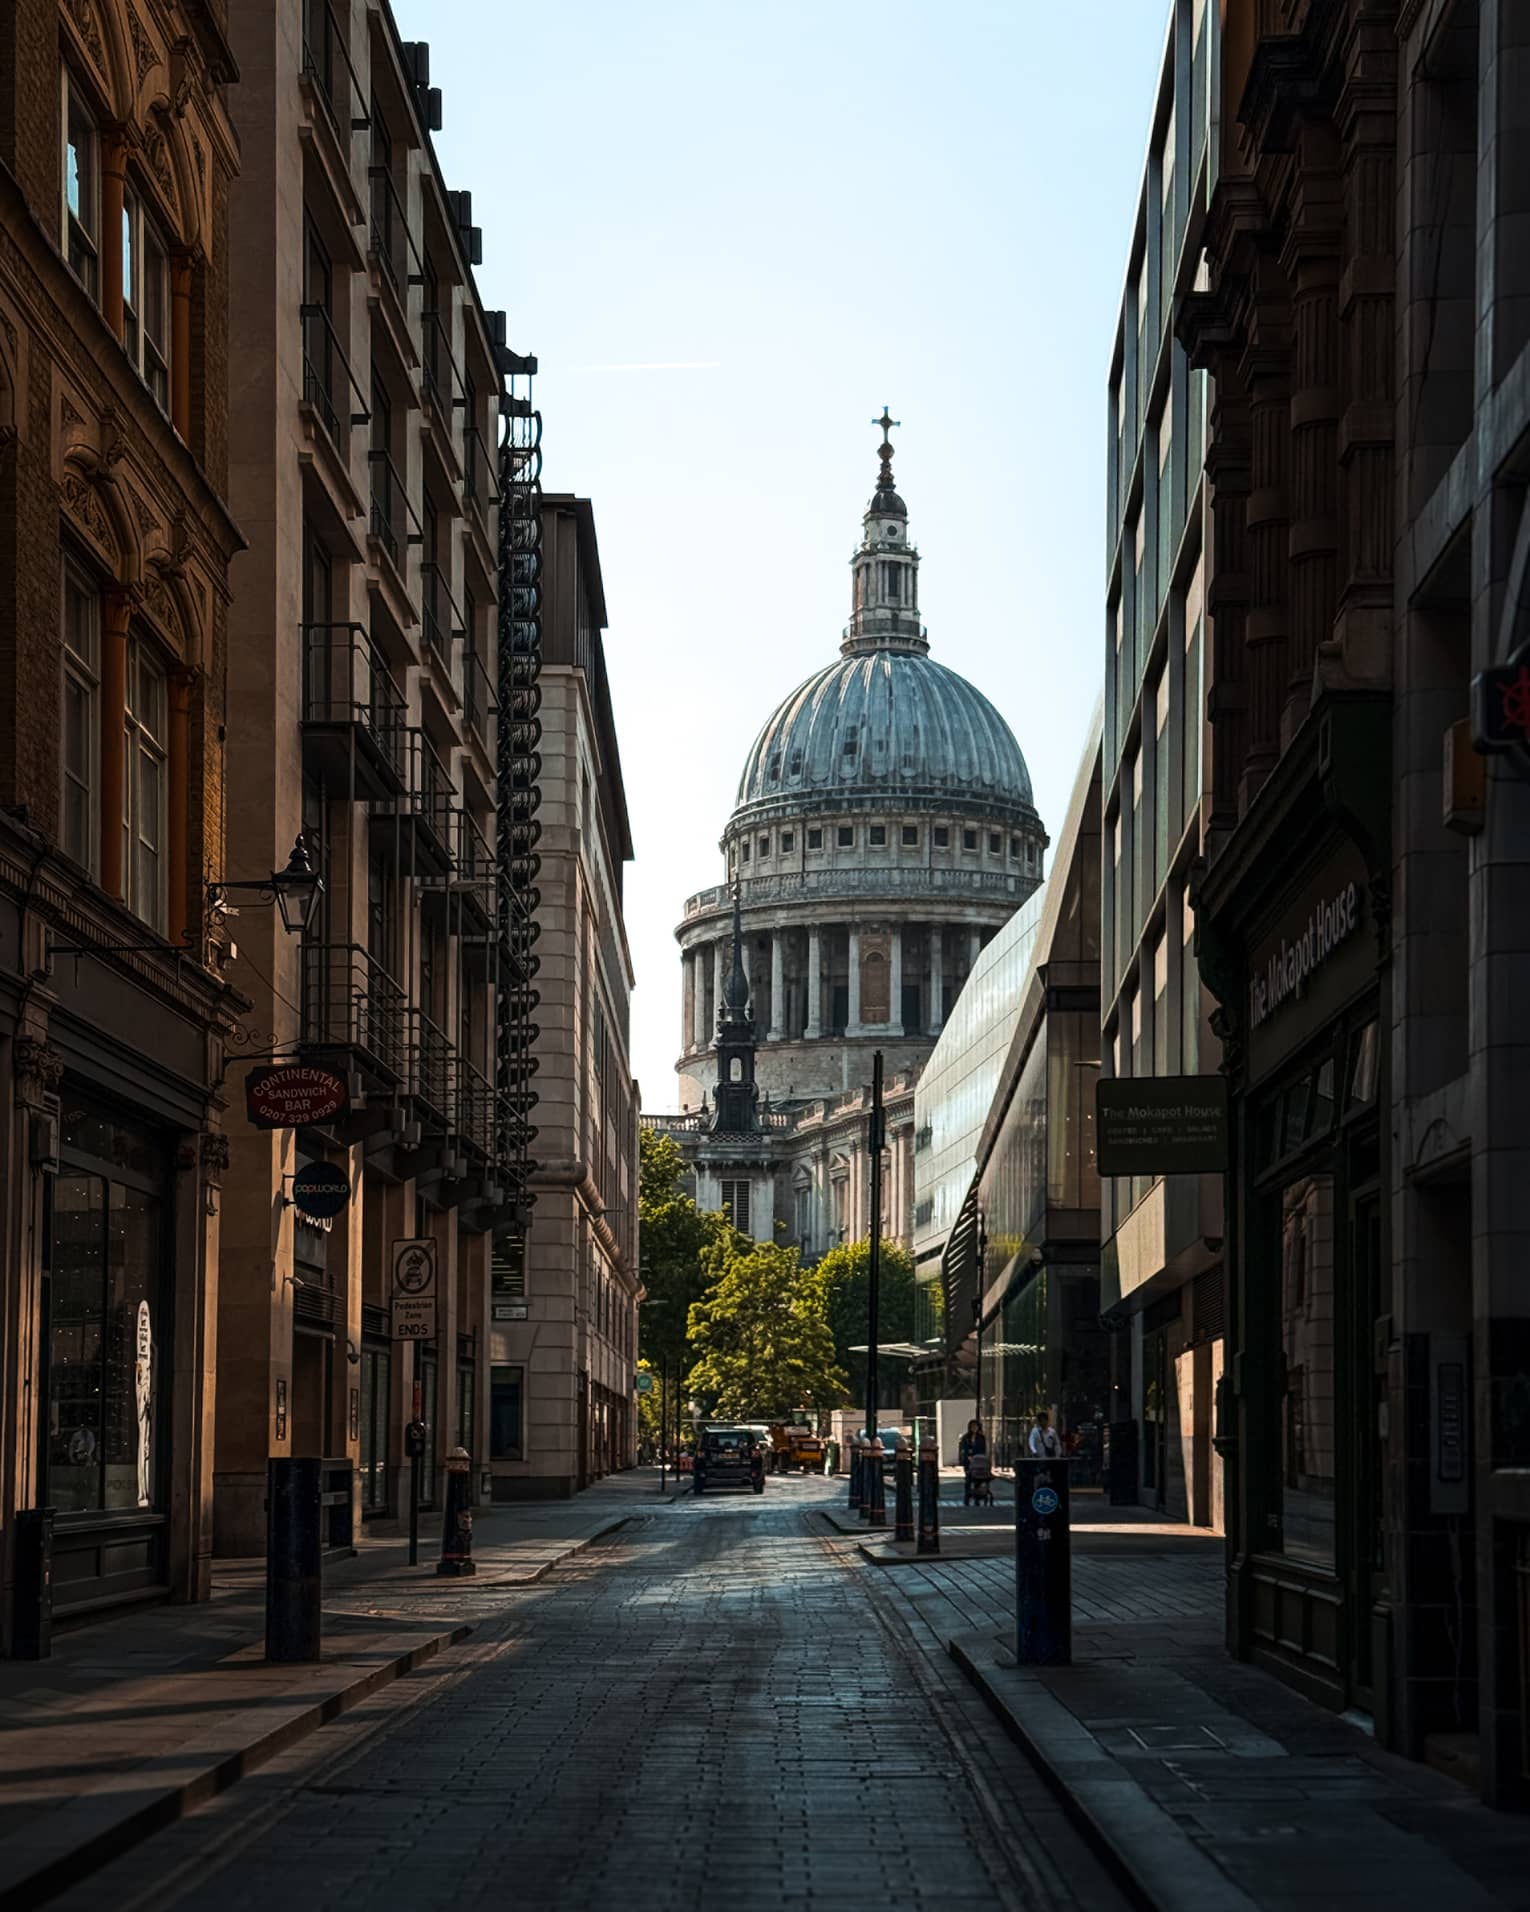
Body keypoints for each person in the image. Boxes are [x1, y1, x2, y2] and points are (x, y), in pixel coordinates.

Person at [958, 1418, 988, 1505]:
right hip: (968, 1462)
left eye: (976, 1426)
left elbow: (983, 1450)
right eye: (972, 1427)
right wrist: (968, 1457)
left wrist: (977, 1457)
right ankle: (967, 1497)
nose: (974, 1428)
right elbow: (963, 1449)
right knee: (968, 1479)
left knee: (977, 1480)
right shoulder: (966, 1438)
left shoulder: (981, 1438)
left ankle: (977, 1498)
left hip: (978, 1462)